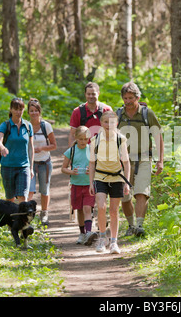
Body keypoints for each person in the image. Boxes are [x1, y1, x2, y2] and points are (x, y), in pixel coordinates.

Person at [117, 82, 164, 237]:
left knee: (141, 193)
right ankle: (130, 225)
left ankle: (139, 225)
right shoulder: (118, 115)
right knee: (125, 196)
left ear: (137, 97)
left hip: (144, 158)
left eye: (131, 98)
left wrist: (160, 160)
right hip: (123, 161)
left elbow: (158, 137)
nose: (128, 101)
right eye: (125, 98)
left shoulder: (147, 113)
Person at [89, 111, 131, 254]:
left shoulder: (120, 139)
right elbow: (92, 163)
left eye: (112, 122)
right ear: (101, 123)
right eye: (106, 122)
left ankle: (113, 242)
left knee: (113, 211)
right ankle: (102, 238)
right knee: (101, 206)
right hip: (100, 177)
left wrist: (127, 182)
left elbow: (126, 162)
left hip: (117, 178)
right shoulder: (95, 140)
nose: (108, 125)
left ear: (116, 124)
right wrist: (90, 183)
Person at [61, 126, 98, 245]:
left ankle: (88, 233)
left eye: (85, 139)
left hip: (89, 185)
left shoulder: (91, 150)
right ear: (76, 138)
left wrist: (91, 171)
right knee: (80, 210)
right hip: (76, 185)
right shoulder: (71, 151)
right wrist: (71, 171)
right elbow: (63, 168)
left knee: (88, 208)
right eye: (81, 139)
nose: (83, 141)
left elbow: (97, 167)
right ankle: (82, 233)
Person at [0, 97, 34, 202]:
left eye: (20, 109)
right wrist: (2, 147)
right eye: (15, 109)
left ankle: (23, 218)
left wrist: (31, 168)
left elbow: (31, 148)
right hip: (8, 166)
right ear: (11, 109)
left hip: (23, 167)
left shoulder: (27, 126)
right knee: (10, 199)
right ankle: (11, 218)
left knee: (23, 197)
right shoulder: (5, 125)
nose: (18, 112)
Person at [27, 98, 57, 225]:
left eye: (36, 110)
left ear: (40, 111)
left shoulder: (46, 126)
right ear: (28, 112)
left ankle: (44, 214)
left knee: (44, 190)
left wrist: (41, 148)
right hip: (30, 163)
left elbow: (54, 145)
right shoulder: (26, 126)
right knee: (30, 190)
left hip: (45, 162)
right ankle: (28, 214)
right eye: (31, 111)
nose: (34, 113)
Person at [68, 82, 112, 146]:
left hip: (103, 150)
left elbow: (113, 132)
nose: (91, 96)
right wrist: (71, 152)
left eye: (93, 94)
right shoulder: (77, 111)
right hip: (84, 150)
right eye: (88, 94)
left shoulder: (107, 110)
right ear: (85, 94)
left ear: (98, 93)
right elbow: (72, 135)